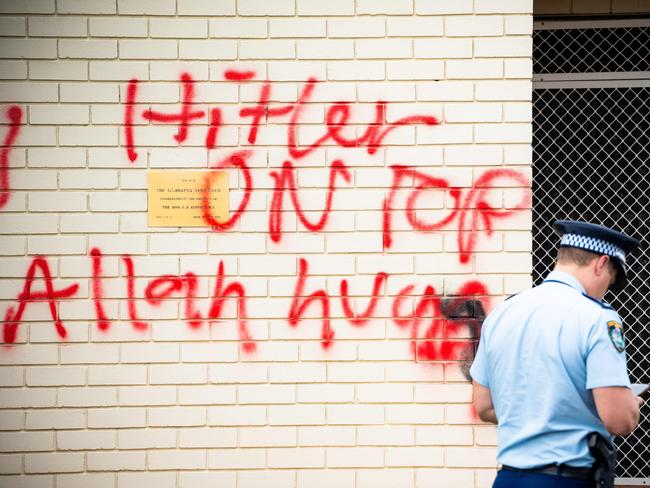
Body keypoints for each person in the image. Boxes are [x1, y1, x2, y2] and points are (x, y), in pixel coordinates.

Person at [470, 220, 644, 488]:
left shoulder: (502, 313)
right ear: (601, 264)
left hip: (507, 478)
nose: (606, 291)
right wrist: (630, 405)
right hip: (567, 480)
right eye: (610, 279)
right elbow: (618, 420)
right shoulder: (597, 318)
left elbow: (484, 406)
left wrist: (536, 413)